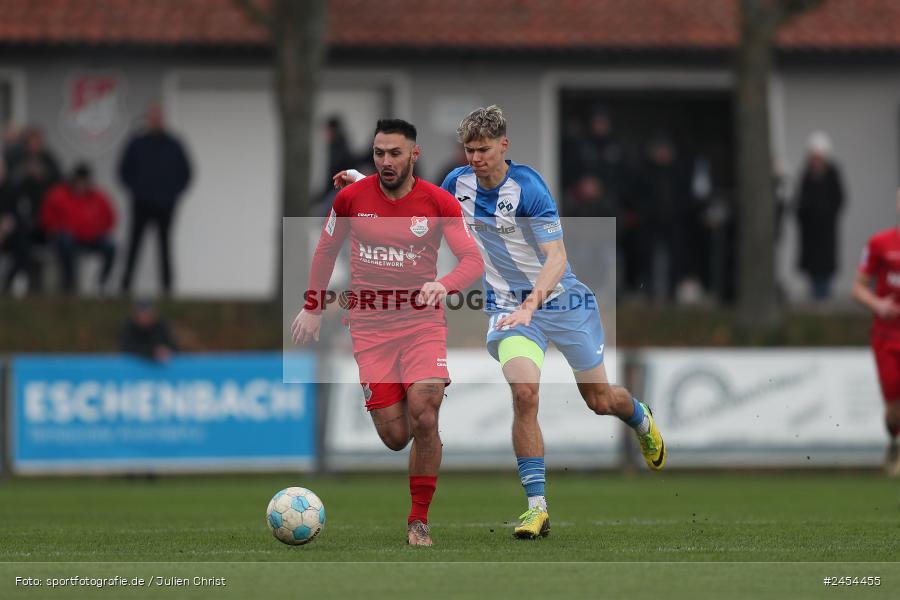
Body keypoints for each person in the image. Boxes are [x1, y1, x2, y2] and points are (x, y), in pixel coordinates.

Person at [336, 106, 666, 540]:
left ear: (503, 146)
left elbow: (557, 258)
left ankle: (639, 417)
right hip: (509, 309)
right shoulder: (457, 184)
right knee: (524, 393)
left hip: (563, 302)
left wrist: (532, 304)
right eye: (469, 150)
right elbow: (414, 205)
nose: (475, 159)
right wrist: (364, 184)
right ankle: (537, 508)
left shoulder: (529, 189)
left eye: (484, 150)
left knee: (600, 399)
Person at [292, 119, 483, 546]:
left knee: (426, 414)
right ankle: (415, 438)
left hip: (421, 325)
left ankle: (419, 521)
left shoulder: (438, 202)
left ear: (414, 154)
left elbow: (472, 260)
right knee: (397, 437)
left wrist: (445, 285)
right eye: (379, 154)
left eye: (395, 153)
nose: (386, 161)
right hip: (370, 329)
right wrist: (313, 307)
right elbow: (325, 251)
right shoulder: (350, 198)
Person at [118, 103, 192, 295]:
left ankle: (167, 288)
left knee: (164, 245)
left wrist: (172, 194)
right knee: (134, 244)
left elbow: (186, 173)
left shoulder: (175, 144)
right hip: (141, 204)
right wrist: (137, 191)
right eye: (153, 116)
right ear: (148, 119)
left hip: (165, 206)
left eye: (159, 117)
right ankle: (125, 286)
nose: (156, 120)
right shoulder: (137, 144)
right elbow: (123, 171)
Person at [852, 188, 900, 476]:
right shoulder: (879, 243)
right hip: (886, 337)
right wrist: (878, 305)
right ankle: (893, 439)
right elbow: (857, 288)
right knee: (894, 408)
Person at [39, 163, 116, 294]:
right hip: (68, 237)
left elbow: (110, 218)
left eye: (84, 180)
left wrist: (98, 230)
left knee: (111, 247)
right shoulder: (59, 194)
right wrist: (58, 229)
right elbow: (47, 217)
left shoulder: (98, 197)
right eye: (79, 180)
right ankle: (69, 284)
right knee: (65, 243)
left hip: (91, 237)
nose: (82, 184)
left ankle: (102, 283)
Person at [795, 131, 844, 302]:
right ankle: (815, 296)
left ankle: (824, 296)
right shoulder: (806, 174)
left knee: (825, 266)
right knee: (812, 267)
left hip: (826, 230)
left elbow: (839, 199)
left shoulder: (832, 173)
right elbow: (800, 201)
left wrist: (826, 213)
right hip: (810, 231)